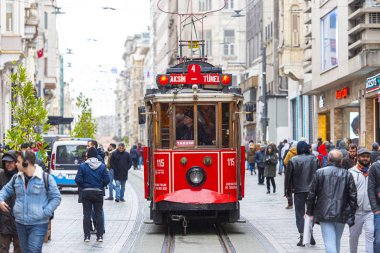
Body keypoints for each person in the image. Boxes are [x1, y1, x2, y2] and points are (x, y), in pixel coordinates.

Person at [0, 150, 61, 253]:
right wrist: (1, 200)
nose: (16, 164)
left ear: (26, 162)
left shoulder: (45, 178)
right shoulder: (17, 178)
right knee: (25, 250)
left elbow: (56, 197)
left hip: (38, 224)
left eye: (18, 162)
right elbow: (5, 191)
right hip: (20, 223)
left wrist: (45, 212)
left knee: (33, 250)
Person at [306, 150, 357, 253]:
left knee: (330, 242)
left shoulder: (320, 172)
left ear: (328, 159)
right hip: (341, 212)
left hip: (325, 211)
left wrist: (309, 212)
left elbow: (311, 194)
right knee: (335, 241)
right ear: (341, 161)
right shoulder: (347, 174)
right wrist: (352, 212)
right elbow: (353, 196)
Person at [286, 141, 320, 246]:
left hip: (298, 190)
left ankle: (302, 236)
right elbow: (319, 175)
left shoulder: (293, 160)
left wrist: (287, 192)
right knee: (310, 213)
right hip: (312, 191)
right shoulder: (314, 159)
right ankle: (310, 235)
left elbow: (288, 178)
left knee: (300, 214)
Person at [75, 147, 109, 242]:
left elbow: (77, 180)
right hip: (98, 192)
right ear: (96, 155)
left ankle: (87, 236)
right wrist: (100, 186)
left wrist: (84, 187)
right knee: (99, 214)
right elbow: (107, 180)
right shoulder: (102, 166)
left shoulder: (83, 166)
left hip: (86, 193)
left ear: (88, 155)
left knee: (87, 215)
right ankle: (99, 236)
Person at [348, 148, 374, 253]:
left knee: (371, 235)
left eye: (367, 157)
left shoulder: (373, 171)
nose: (365, 159)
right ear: (358, 157)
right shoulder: (351, 172)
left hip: (370, 211)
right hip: (356, 212)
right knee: (353, 238)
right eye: (363, 156)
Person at [0, 151, 21, 253]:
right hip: (4, 219)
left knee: (19, 248)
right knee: (3, 248)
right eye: (5, 162)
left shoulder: (21, 176)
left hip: (19, 219)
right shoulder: (1, 175)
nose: (8, 164)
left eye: (11, 162)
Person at [368, 152, 380, 253]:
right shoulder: (375, 167)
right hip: (378, 209)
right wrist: (375, 209)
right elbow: (370, 188)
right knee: (378, 240)